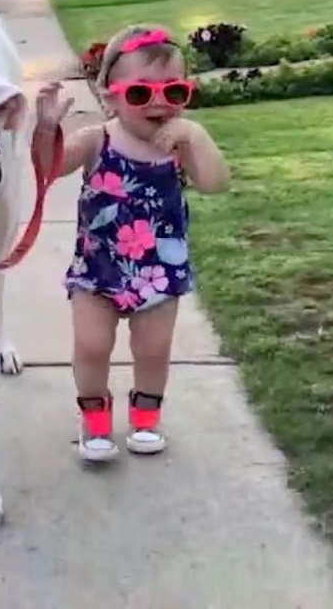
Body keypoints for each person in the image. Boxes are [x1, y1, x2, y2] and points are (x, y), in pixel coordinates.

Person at [32, 24, 231, 462]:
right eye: (141, 94)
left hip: (159, 273)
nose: (159, 103)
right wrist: (46, 130)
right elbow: (47, 171)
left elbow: (215, 184)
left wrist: (196, 137)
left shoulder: (177, 145)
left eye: (174, 92)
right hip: (96, 271)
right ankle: (95, 423)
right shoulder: (95, 140)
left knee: (153, 348)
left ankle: (145, 419)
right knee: (91, 345)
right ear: (109, 96)